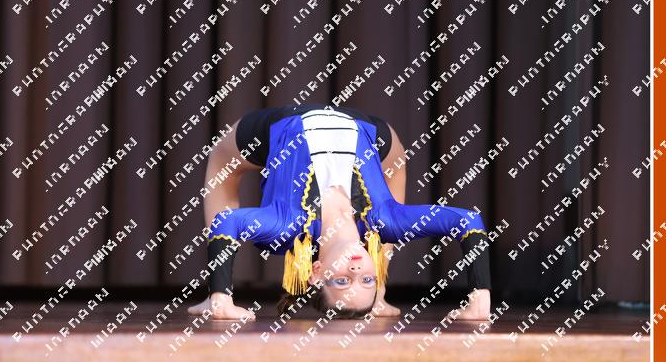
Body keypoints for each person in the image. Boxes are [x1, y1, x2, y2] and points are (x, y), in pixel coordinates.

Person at [187, 103, 492, 321]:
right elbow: (467, 219)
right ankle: (382, 292)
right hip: (363, 127)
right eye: (367, 280)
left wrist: (221, 296)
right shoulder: (386, 221)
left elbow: (227, 222)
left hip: (283, 124)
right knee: (394, 172)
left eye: (343, 281)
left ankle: (211, 297)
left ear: (317, 272)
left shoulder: (286, 226)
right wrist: (480, 297)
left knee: (221, 160)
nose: (357, 272)